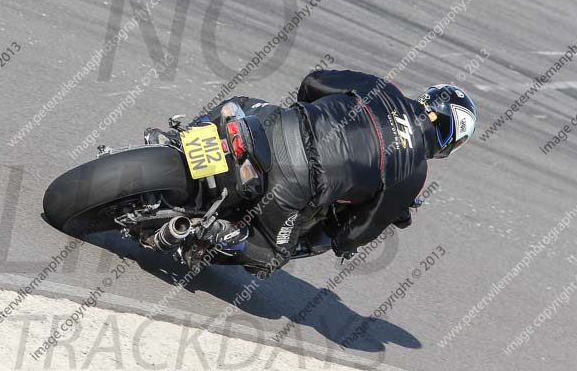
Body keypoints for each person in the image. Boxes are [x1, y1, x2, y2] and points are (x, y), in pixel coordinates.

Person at [151, 69, 478, 278]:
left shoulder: (383, 88)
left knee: (237, 105)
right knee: (273, 255)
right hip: (295, 184)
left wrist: (311, 112)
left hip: (277, 126)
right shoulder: (414, 172)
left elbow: (311, 82)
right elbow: (353, 236)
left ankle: (174, 143)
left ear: (427, 98)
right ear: (452, 142)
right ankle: (224, 236)